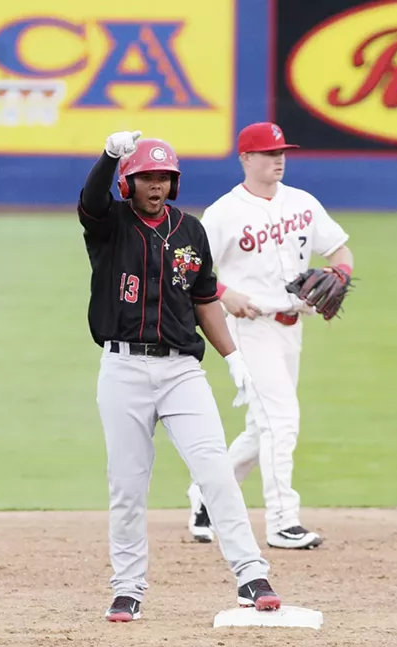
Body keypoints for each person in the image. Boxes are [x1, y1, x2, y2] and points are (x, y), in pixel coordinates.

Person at [77, 129, 281, 622]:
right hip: (123, 368)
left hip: (181, 371)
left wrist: (233, 358)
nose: (157, 185)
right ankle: (127, 589)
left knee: (214, 470)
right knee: (127, 483)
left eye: (165, 177)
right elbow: (89, 202)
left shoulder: (191, 231)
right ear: (128, 182)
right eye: (147, 176)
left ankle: (252, 575)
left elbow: (205, 299)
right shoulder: (111, 224)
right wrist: (109, 156)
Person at [187, 122, 354, 550]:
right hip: (249, 328)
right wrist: (224, 294)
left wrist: (341, 273)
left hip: (291, 328)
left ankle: (206, 494)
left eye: (281, 151)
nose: (277, 159)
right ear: (245, 158)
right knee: (281, 421)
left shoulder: (302, 202)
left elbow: (339, 249)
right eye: (267, 153)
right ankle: (282, 521)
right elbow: (190, 269)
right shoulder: (225, 212)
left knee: (264, 428)